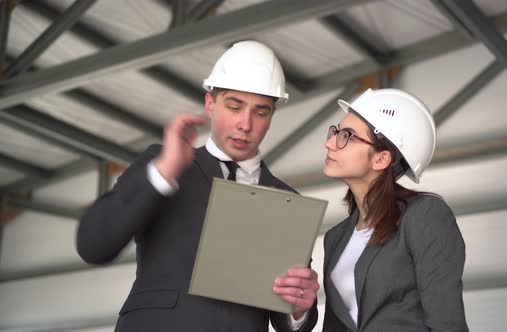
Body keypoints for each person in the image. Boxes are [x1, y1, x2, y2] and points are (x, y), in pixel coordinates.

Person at [76, 41, 319, 332]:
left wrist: (298, 310)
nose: (245, 123)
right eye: (234, 106)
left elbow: (285, 318)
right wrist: (163, 173)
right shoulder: (163, 164)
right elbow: (94, 244)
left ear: (271, 117)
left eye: (261, 112)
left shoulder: (288, 203)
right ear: (210, 104)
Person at [321, 88, 469, 331]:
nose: (330, 143)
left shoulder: (424, 215)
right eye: (336, 132)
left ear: (381, 159)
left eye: (347, 136)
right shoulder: (335, 238)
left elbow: (447, 323)